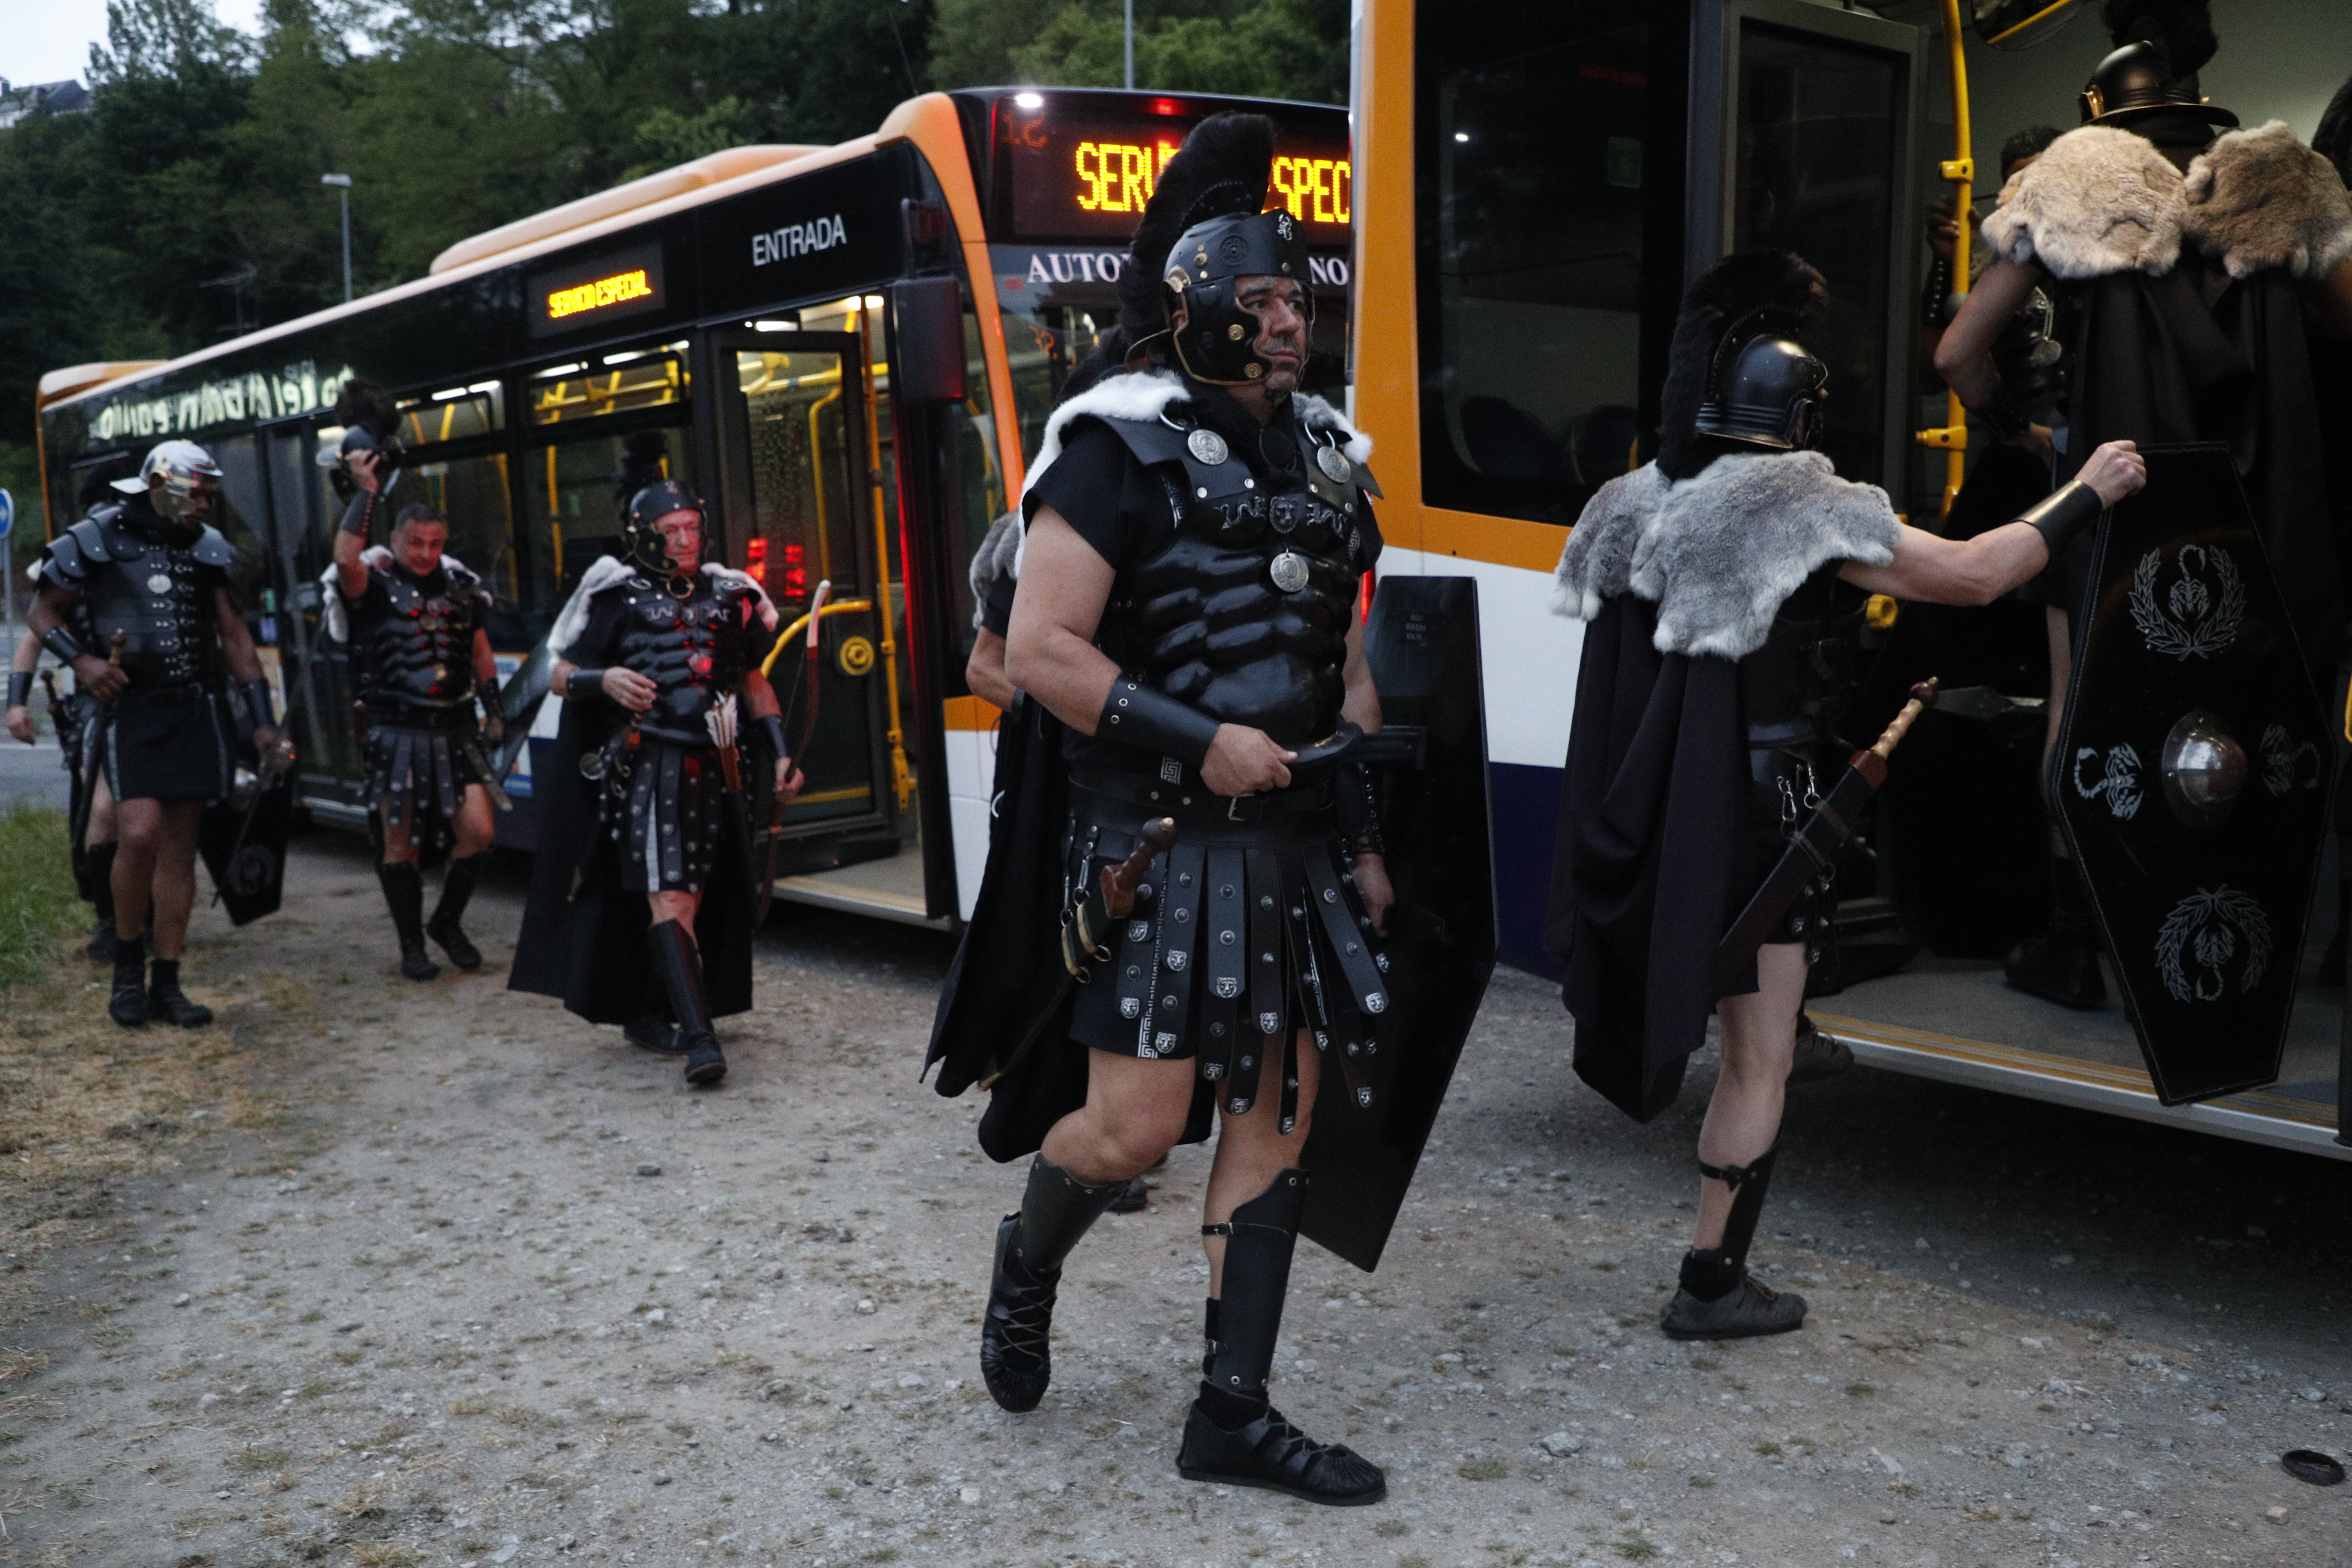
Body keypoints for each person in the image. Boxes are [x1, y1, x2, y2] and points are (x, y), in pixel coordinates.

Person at [1549, 250, 2148, 1340]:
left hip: (1666, 815)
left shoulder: (1626, 501)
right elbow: (1975, 572)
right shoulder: (1790, 504)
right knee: (1760, 1055)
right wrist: (2085, 489)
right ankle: (1713, 1282)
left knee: (1745, 1047)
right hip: (1763, 818)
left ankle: (1713, 1269)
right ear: (1801, 415)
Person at [958, 112, 1393, 1506]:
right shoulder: (1108, 447)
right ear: (1195, 311)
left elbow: (1350, 664)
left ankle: (1233, 1409)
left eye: (1299, 298)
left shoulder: (1331, 456)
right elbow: (1041, 655)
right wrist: (1200, 738)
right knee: (1134, 1128)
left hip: (1299, 839)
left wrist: (1366, 833)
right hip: (1152, 836)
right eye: (1262, 301)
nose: (1289, 321)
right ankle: (1026, 1263)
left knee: (1278, 1111)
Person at [1936, 1, 2352, 999]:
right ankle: (2246, 947)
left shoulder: (2070, 181)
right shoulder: (2274, 182)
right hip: (2252, 501)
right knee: (2244, 712)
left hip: (2108, 491)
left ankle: (2084, 942)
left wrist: (2021, 429)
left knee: (2081, 706)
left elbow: (1954, 354)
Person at [508, 480, 801, 1086]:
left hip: (721, 767)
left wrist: (779, 754)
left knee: (699, 899)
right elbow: (556, 673)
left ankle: (652, 1009)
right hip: (647, 766)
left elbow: (753, 682)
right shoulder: (614, 597)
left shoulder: (732, 595)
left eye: (693, 527)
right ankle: (701, 1040)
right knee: (670, 897)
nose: (687, 539)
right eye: (672, 531)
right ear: (645, 535)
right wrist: (605, 680)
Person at [28, 440, 286, 1028]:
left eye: (208, 495)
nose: (203, 505)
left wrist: (262, 720)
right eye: (194, 493)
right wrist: (84, 664)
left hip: (192, 708)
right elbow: (44, 612)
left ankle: (167, 979)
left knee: (178, 846)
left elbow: (235, 637)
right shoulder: (97, 536)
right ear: (160, 484)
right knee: (137, 834)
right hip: (132, 710)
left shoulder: (206, 550)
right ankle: (126, 968)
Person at [330, 449, 504, 980]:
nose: (426, 554)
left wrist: (494, 708)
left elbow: (479, 651)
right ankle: (412, 946)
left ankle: (445, 923)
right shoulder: (373, 587)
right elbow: (344, 561)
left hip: (456, 728)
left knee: (479, 831)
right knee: (400, 841)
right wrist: (367, 491)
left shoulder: (462, 591)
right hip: (397, 730)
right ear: (399, 540)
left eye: (435, 544)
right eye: (416, 544)